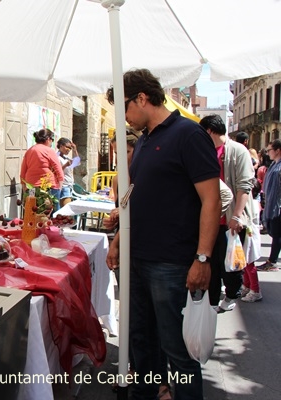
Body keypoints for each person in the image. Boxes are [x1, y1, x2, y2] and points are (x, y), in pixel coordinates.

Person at [105, 68, 220, 400]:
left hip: (171, 264)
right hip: (138, 260)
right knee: (142, 345)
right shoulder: (144, 140)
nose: (123, 119)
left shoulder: (188, 134)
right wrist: (117, 240)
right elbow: (136, 196)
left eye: (124, 108)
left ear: (142, 98)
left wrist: (203, 258)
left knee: (178, 353)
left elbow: (211, 200)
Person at [199, 117, 257, 307]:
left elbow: (244, 186)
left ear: (209, 131)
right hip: (211, 218)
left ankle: (232, 294)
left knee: (231, 264)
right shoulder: (207, 151)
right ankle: (213, 300)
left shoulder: (238, 151)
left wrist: (236, 216)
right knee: (212, 263)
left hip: (230, 218)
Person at [102, 130, 139, 231]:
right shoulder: (117, 179)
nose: (120, 158)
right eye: (117, 153)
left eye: (126, 152)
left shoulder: (146, 176)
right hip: (123, 236)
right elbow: (120, 210)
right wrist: (113, 221)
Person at [20, 128, 65, 211]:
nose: (52, 143)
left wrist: (24, 187)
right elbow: (58, 169)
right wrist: (60, 187)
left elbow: (23, 171)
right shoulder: (49, 151)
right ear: (48, 139)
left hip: (32, 187)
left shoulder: (29, 151)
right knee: (51, 215)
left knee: (32, 213)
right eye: (52, 140)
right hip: (49, 187)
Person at [257, 139, 281, 272]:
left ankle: (272, 262)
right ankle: (271, 261)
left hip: (278, 207)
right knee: (276, 234)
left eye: (270, 150)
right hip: (273, 205)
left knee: (277, 235)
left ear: (277, 151)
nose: (268, 153)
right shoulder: (274, 165)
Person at [56, 137, 80, 207]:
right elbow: (56, 171)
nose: (69, 150)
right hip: (64, 186)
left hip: (69, 186)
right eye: (67, 147)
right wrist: (65, 165)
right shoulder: (57, 157)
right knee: (65, 211)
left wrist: (75, 150)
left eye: (70, 148)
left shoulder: (66, 158)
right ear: (61, 146)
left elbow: (77, 162)